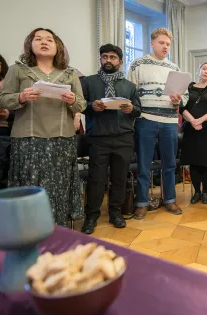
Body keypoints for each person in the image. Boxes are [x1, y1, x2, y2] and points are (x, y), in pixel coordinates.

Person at [0, 28, 86, 226]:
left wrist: (72, 100)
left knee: (59, 187)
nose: (44, 42)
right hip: (28, 139)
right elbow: (3, 99)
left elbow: (82, 104)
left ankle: (59, 229)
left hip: (62, 139)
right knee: (30, 185)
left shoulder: (70, 74)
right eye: (38, 39)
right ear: (30, 44)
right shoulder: (18, 70)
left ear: (58, 47)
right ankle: (29, 232)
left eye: (49, 40)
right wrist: (21, 97)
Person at [80, 44, 141, 234]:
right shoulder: (89, 82)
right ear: (100, 59)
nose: (108, 60)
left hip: (123, 138)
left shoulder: (129, 86)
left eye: (113, 57)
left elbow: (139, 110)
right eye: (105, 57)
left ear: (120, 62)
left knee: (119, 178)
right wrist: (92, 106)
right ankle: (91, 216)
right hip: (98, 137)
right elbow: (80, 106)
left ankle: (116, 213)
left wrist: (132, 110)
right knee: (96, 179)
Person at [128, 27, 189, 219]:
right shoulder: (138, 64)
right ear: (152, 43)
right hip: (145, 119)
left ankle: (169, 199)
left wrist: (179, 99)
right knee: (144, 163)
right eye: (162, 43)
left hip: (170, 120)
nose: (165, 47)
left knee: (169, 163)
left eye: (168, 44)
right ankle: (142, 202)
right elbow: (130, 93)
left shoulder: (174, 68)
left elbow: (185, 96)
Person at [180, 63, 207, 204]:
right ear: (199, 71)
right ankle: (196, 191)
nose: (206, 72)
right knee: (194, 162)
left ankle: (205, 191)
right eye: (204, 69)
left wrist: (201, 120)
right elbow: (182, 107)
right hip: (191, 130)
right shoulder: (188, 88)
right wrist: (193, 121)